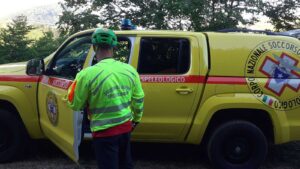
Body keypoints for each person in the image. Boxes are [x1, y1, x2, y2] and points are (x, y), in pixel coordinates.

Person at [67, 28, 145, 169]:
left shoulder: (86, 74)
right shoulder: (130, 70)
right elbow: (139, 99)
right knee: (125, 164)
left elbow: (74, 104)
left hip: (104, 132)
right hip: (126, 128)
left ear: (94, 47)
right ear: (114, 47)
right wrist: (136, 119)